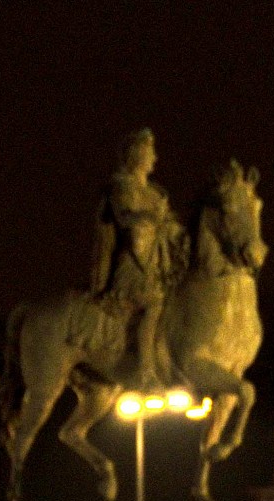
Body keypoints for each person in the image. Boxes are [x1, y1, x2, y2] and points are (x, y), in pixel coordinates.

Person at [89, 127, 186, 387]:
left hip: (158, 263)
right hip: (134, 266)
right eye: (151, 153)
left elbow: (170, 224)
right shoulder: (121, 188)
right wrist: (155, 218)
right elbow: (126, 219)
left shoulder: (156, 193)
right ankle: (146, 370)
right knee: (154, 305)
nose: (155, 159)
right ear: (138, 156)